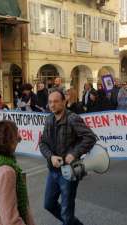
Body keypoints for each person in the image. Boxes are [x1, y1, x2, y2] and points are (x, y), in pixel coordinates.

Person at [39, 90, 97, 225]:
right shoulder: (49, 119)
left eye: (56, 101)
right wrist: (51, 157)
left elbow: (90, 137)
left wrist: (74, 153)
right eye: (50, 102)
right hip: (53, 170)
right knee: (49, 204)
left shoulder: (73, 118)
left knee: (66, 212)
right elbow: (42, 143)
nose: (52, 105)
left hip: (69, 172)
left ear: (64, 102)